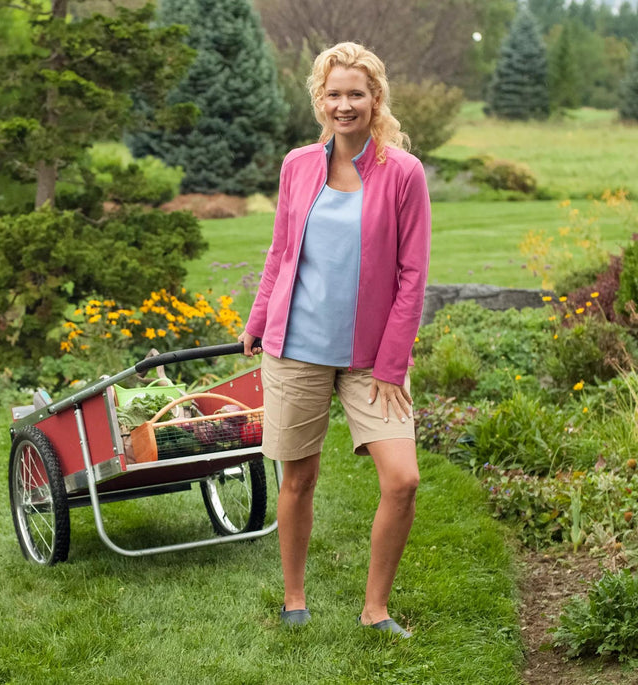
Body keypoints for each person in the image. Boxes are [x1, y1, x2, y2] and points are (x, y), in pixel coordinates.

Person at [238, 41, 431, 638]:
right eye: (334, 94)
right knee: (298, 478)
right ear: (319, 100)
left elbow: (412, 275)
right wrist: (257, 319)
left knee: (402, 479)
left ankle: (376, 608)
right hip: (295, 345)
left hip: (372, 358)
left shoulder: (402, 172)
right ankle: (295, 598)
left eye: (356, 94)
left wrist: (393, 365)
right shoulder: (298, 165)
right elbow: (281, 251)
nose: (344, 105)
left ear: (376, 100)